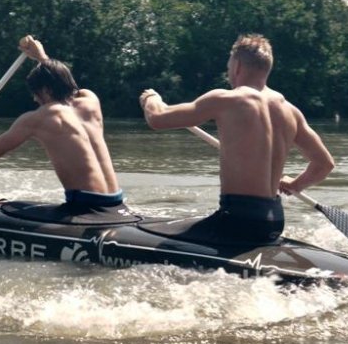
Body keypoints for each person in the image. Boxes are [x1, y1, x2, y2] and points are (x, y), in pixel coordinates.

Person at [138, 34, 335, 243]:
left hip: (237, 221)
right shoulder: (290, 111)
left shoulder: (226, 99)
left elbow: (158, 118)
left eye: (228, 67)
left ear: (237, 66)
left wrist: (151, 99)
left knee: (147, 233)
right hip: (274, 221)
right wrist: (295, 185)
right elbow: (324, 164)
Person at [0, 36, 123, 207]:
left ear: (46, 90)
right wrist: (42, 57)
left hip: (85, 207)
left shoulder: (40, 117)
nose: (34, 99)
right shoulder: (91, 101)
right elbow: (67, 84)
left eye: (35, 93)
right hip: (116, 202)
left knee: (5, 207)